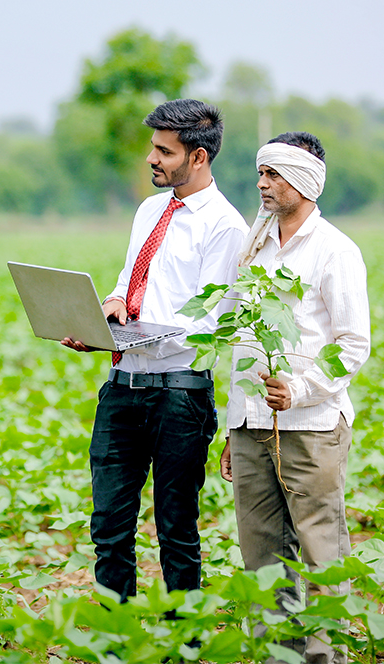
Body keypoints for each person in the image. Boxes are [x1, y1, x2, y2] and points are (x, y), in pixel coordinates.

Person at [62, 98, 248, 600]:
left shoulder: (226, 227)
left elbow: (209, 324)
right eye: (153, 148)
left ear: (198, 158)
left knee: (177, 532)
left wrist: (138, 333)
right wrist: (107, 312)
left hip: (179, 396)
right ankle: (114, 636)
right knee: (108, 528)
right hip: (122, 387)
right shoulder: (149, 211)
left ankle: (181, 644)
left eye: (164, 151)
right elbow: (129, 281)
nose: (152, 159)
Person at [218, 131, 371, 664]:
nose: (262, 184)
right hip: (252, 423)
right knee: (261, 556)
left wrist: (302, 388)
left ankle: (326, 658)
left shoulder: (335, 251)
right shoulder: (254, 243)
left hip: (312, 426)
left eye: (274, 174)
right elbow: (238, 335)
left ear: (305, 181)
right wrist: (233, 425)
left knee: (321, 552)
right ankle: (276, 656)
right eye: (260, 173)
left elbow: (353, 345)